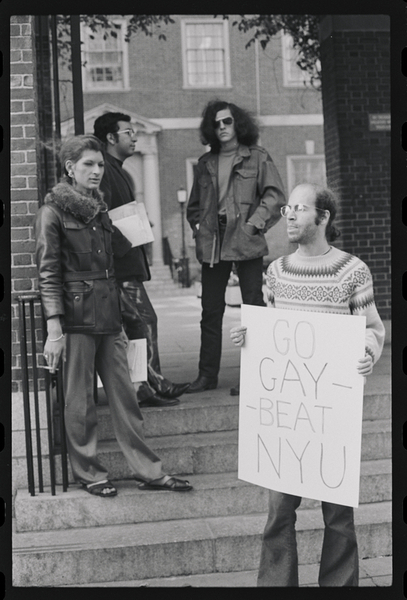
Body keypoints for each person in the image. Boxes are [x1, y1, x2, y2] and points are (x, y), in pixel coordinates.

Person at [230, 183, 385, 586]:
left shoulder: (351, 270)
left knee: (338, 516)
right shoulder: (277, 272)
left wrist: (367, 352)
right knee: (278, 513)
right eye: (287, 209)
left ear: (323, 217)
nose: (291, 216)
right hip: (287, 418)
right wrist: (248, 336)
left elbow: (371, 328)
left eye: (300, 208)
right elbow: (269, 327)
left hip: (331, 412)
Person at [35, 134, 193, 496]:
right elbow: (47, 273)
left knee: (126, 396)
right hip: (74, 318)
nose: (96, 171)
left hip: (109, 315)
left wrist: (133, 224)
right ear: (70, 168)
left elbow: (117, 253)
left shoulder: (99, 209)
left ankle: (149, 471)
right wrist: (54, 329)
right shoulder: (52, 212)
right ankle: (90, 473)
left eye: (100, 165)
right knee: (79, 401)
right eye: (88, 164)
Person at [186, 99, 286, 394]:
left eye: (227, 121)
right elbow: (194, 206)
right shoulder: (205, 163)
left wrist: (254, 224)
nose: (222, 128)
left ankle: (257, 375)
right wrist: (198, 227)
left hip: (245, 237)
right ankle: (207, 376)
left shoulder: (257, 156)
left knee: (253, 308)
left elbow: (275, 195)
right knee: (210, 310)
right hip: (213, 241)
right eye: (216, 124)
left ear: (238, 123)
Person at [93, 112, 190, 407]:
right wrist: (127, 241)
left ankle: (143, 388)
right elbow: (101, 218)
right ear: (111, 138)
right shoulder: (106, 171)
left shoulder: (117, 169)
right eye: (128, 132)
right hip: (119, 266)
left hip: (126, 263)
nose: (134, 137)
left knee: (136, 325)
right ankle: (153, 382)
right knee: (144, 320)